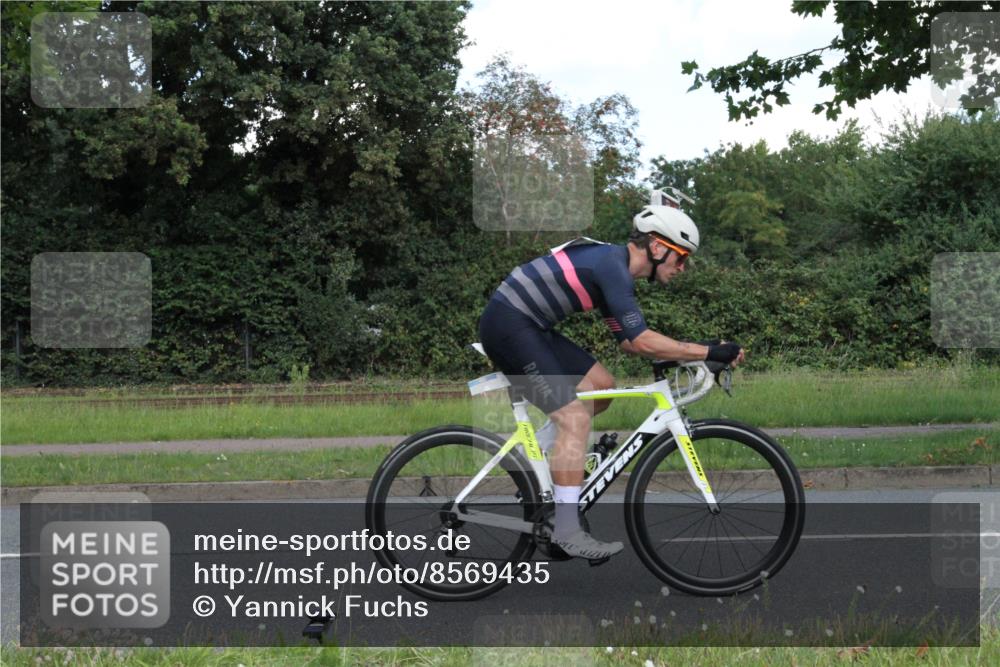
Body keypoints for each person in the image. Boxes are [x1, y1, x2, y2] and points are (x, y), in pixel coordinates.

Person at [477, 193, 745, 559]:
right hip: (510, 325)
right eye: (681, 257)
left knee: (602, 387)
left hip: (528, 324)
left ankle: (547, 461)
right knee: (574, 418)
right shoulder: (612, 268)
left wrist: (704, 348)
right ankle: (567, 531)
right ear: (656, 246)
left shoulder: (614, 267)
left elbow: (630, 343)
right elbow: (642, 341)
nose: (683, 267)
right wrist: (708, 353)